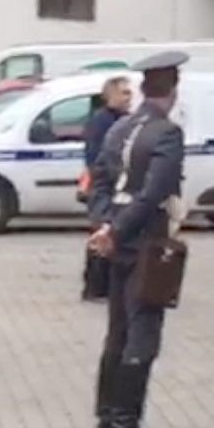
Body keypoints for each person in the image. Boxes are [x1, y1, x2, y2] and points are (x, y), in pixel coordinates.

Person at [86, 51, 189, 428]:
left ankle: (106, 420)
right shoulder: (167, 133)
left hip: (118, 241)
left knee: (118, 331)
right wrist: (118, 229)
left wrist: (104, 224)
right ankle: (126, 427)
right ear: (173, 91)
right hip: (146, 240)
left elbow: (98, 180)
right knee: (143, 334)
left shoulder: (121, 127)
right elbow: (154, 193)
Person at [81, 76, 132, 301]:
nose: (129, 97)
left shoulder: (125, 120)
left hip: (117, 187)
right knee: (100, 231)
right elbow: (95, 157)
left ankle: (107, 284)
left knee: (112, 233)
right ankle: (95, 286)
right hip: (105, 187)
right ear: (110, 95)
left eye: (130, 92)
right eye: (124, 92)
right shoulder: (101, 122)